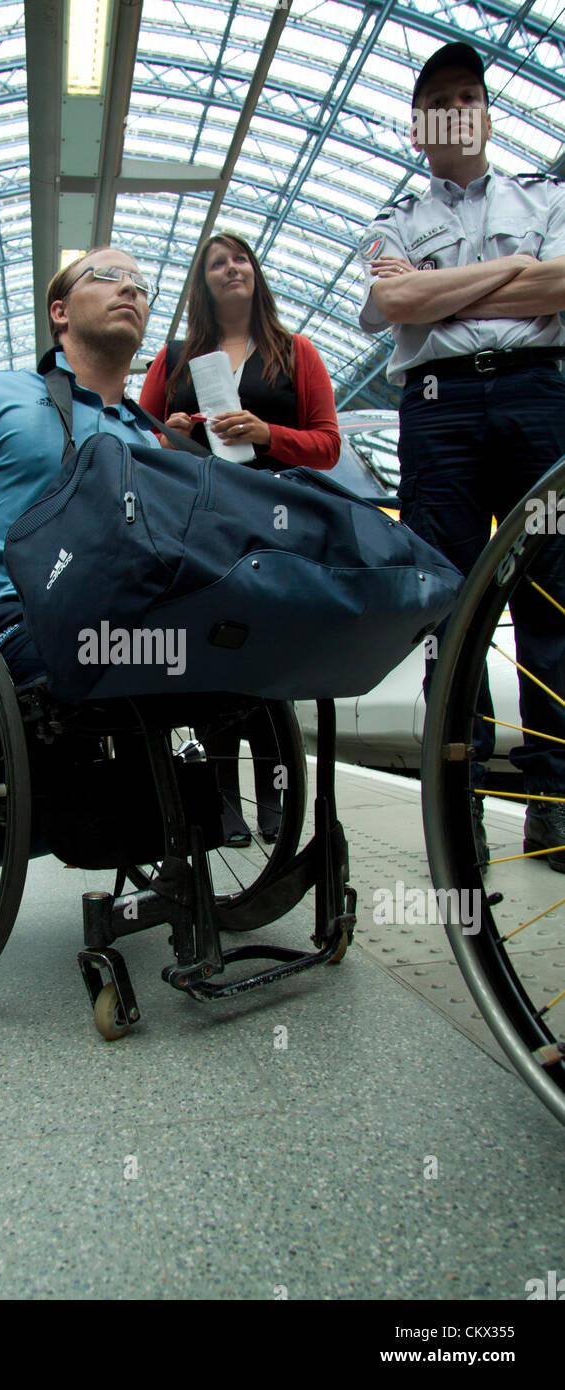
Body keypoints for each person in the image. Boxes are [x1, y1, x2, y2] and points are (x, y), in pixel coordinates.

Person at [358, 41, 565, 870]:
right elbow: (392, 299)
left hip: (538, 400)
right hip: (437, 412)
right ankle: (462, 802)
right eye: (438, 97)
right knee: (450, 607)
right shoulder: (393, 219)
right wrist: (516, 269)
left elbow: (562, 288)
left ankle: (555, 800)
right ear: (418, 127)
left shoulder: (547, 195)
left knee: (555, 594)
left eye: (468, 94)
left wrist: (447, 289)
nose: (455, 107)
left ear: (486, 112)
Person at [140, 232, 340, 845]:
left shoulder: (295, 352)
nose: (231, 269)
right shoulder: (173, 360)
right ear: (202, 283)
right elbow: (132, 438)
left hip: (273, 524)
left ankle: (277, 799)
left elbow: (327, 445)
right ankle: (221, 801)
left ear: (256, 271)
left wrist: (266, 432)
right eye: (217, 263)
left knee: (271, 662)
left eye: (240, 258)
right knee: (215, 659)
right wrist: (167, 433)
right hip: (200, 528)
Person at [0, 246, 159, 686]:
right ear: (60, 312)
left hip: (124, 621)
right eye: (106, 275)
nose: (130, 287)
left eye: (142, 285)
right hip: (15, 615)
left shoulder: (148, 439)